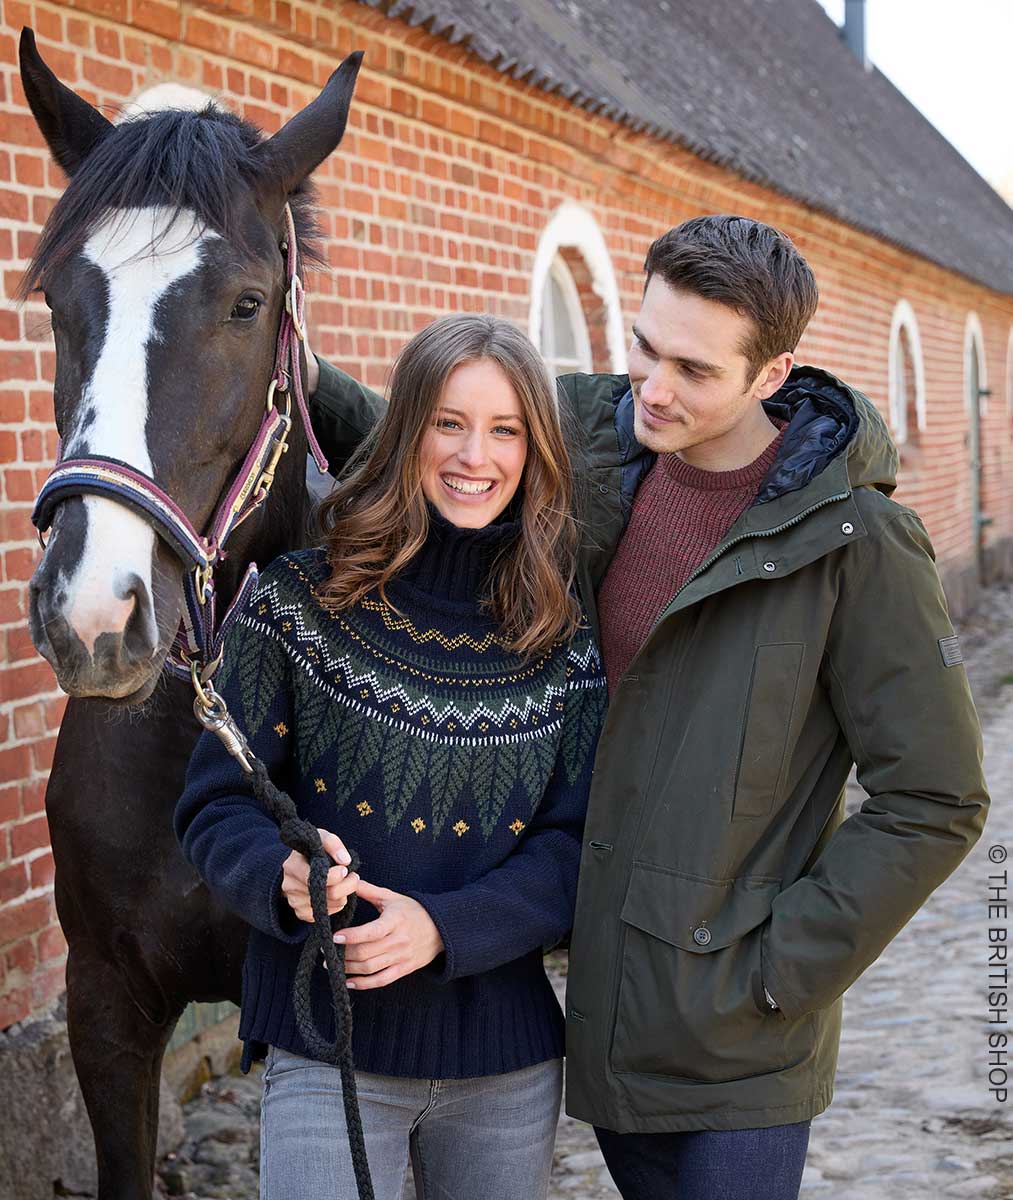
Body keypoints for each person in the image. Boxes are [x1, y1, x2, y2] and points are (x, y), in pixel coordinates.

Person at [304, 214, 989, 1199]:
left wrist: (771, 974)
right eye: (643, 348)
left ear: (769, 374)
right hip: (606, 1018)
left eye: (694, 371)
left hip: (743, 1045)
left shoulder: (857, 542)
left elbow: (935, 797)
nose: (653, 389)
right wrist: (283, 353)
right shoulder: (587, 445)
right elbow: (426, 443)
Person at [175, 313, 608, 1200]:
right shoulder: (299, 603)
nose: (473, 456)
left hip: (504, 1065)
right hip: (325, 1046)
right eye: (448, 422)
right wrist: (281, 876)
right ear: (407, 429)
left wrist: (445, 927)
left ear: (534, 452)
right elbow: (216, 805)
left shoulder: (560, 637)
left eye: (504, 430)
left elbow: (575, 845)